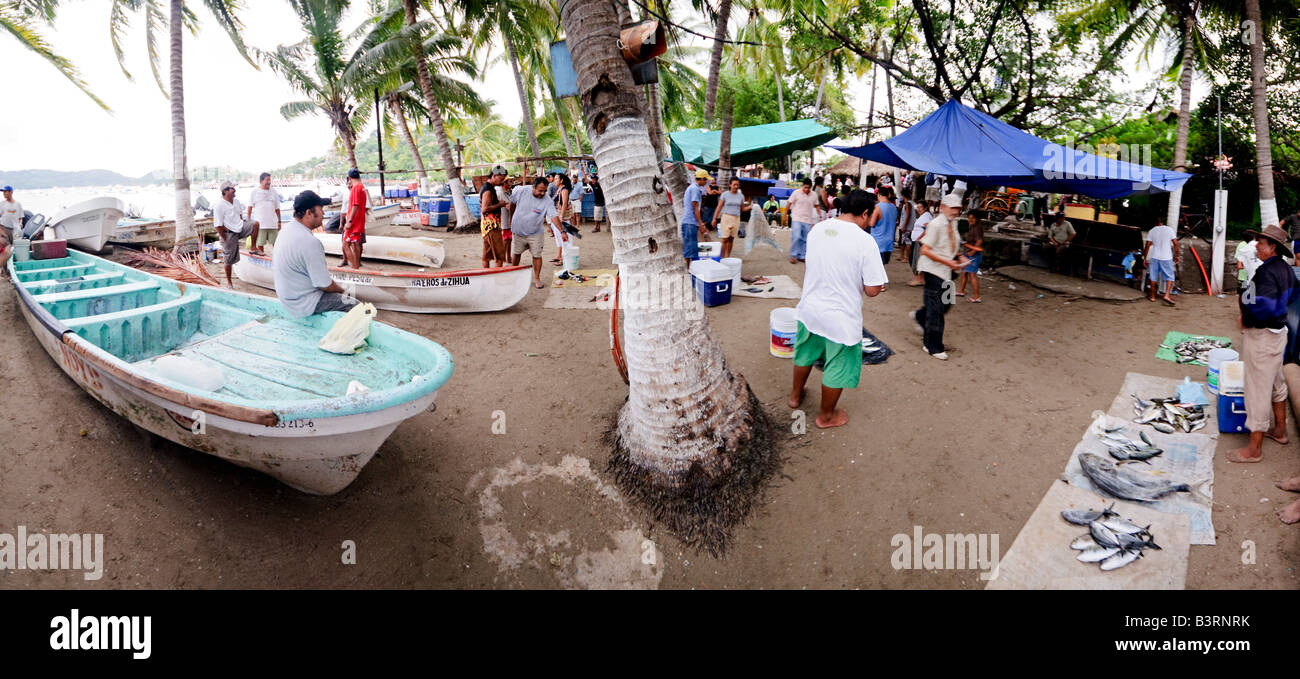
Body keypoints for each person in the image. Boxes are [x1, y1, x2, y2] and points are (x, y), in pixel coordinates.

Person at [788, 189, 887, 429]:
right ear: (865, 213)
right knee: (838, 366)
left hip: (810, 308)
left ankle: (794, 396)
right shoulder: (865, 241)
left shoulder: (818, 229)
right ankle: (826, 416)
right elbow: (873, 289)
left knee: (804, 354)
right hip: (841, 317)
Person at [1228, 224, 1299, 464]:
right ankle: (1279, 430)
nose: (1256, 245)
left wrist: (1246, 318)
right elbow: (1290, 298)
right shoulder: (1285, 269)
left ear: (1273, 248)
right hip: (1279, 334)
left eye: (1261, 242)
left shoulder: (1268, 272)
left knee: (1257, 390)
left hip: (1264, 336)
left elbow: (1265, 307)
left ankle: (1254, 449)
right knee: (1276, 381)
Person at [273, 190, 360, 318]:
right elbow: (324, 285)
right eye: (320, 209)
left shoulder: (285, 231)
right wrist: (343, 292)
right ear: (309, 213)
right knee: (356, 305)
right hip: (303, 303)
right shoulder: (310, 242)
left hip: (288, 298)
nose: (323, 213)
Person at [912, 194, 969, 360]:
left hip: (948, 270)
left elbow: (953, 244)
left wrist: (959, 256)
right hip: (933, 270)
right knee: (936, 310)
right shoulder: (936, 224)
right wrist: (948, 261)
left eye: (957, 208)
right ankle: (933, 346)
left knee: (947, 303)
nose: (955, 211)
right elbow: (925, 250)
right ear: (943, 207)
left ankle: (920, 316)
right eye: (952, 208)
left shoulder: (953, 223)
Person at [510, 177, 563, 289]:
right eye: (540, 190)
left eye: (544, 190)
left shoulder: (547, 200)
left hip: (535, 233)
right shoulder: (522, 191)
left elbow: (553, 216)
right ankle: (513, 275)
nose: (542, 193)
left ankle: (537, 278)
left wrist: (562, 231)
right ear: (533, 187)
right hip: (518, 231)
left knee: (537, 255)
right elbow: (512, 203)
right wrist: (512, 218)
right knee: (516, 253)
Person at [212, 180, 260, 289]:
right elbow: (218, 225)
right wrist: (225, 239)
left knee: (255, 224)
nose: (234, 190)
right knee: (228, 260)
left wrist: (242, 224)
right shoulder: (219, 205)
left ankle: (253, 247)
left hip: (239, 227)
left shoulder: (236, 201)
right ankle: (229, 282)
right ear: (225, 191)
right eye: (232, 188)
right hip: (228, 234)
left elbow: (239, 216)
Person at [711, 176, 750, 259]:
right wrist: (714, 218)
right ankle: (722, 258)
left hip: (736, 218)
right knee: (724, 239)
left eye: (737, 185)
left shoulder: (741, 196)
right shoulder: (725, 195)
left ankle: (727, 256)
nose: (736, 186)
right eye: (734, 184)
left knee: (731, 239)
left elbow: (743, 209)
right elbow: (719, 207)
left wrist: (750, 207)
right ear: (730, 185)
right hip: (726, 218)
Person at [479, 165, 510, 268]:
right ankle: (497, 278)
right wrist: (500, 205)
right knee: (500, 256)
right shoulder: (488, 190)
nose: (501, 182)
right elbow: (485, 209)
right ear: (494, 175)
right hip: (491, 226)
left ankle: (487, 275)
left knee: (487, 255)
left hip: (488, 226)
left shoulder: (488, 187)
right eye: (500, 179)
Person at [1143, 217, 1179, 305]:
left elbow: (1147, 246)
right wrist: (1177, 255)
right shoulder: (1169, 230)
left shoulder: (1152, 231)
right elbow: (1175, 243)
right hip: (1166, 258)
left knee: (1153, 277)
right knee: (1169, 277)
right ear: (1164, 222)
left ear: (1155, 223)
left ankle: (1152, 297)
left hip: (1155, 257)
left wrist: (1144, 258)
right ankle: (1166, 295)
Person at [247, 173, 281, 252]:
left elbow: (277, 208)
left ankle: (277, 258)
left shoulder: (274, 191)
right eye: (267, 180)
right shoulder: (254, 191)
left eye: (270, 180)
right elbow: (250, 207)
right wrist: (249, 220)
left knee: (276, 244)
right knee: (260, 244)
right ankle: (261, 256)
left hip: (272, 224)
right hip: (260, 224)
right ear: (261, 181)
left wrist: (279, 222)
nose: (269, 182)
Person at [787, 178, 817, 264]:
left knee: (805, 239)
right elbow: (789, 203)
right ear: (802, 186)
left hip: (807, 219)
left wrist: (818, 217)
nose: (806, 189)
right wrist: (785, 214)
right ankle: (793, 255)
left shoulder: (814, 195)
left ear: (811, 187)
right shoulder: (796, 193)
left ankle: (802, 255)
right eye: (805, 187)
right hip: (796, 217)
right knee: (796, 236)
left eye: (808, 188)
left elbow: (817, 205)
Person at [341, 169, 367, 269]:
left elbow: (355, 205)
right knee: (355, 244)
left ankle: (355, 268)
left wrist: (349, 221)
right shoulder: (361, 187)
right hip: (359, 220)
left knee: (345, 245)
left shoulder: (356, 188)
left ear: (349, 178)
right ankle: (356, 266)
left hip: (354, 221)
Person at [681, 169, 709, 263]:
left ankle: (689, 269)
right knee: (690, 249)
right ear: (701, 179)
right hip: (690, 222)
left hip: (689, 221)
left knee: (690, 247)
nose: (706, 182)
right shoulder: (695, 189)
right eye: (705, 180)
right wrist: (701, 224)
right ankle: (689, 270)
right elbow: (695, 208)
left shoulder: (692, 188)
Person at [957, 209, 984, 303]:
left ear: (977, 218)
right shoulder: (972, 226)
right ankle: (961, 291)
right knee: (964, 272)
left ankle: (977, 296)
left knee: (972, 275)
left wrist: (972, 252)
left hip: (973, 255)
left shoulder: (977, 228)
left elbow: (979, 241)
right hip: (968, 253)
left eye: (972, 218)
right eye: (969, 218)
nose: (970, 220)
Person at [866, 186, 898, 266]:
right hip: (889, 242)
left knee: (875, 268)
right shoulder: (893, 207)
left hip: (878, 242)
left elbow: (872, 224)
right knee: (882, 267)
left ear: (879, 195)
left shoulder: (877, 207)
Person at [907, 200, 934, 287]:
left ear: (925, 208)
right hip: (917, 241)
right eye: (917, 208)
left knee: (916, 260)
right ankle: (919, 278)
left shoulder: (926, 216)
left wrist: (920, 237)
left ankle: (919, 278)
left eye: (920, 207)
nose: (918, 209)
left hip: (920, 242)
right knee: (914, 259)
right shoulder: (923, 216)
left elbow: (929, 228)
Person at [550, 173, 574, 266]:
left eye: (556, 179)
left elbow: (564, 203)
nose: (555, 180)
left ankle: (565, 258)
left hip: (562, 218)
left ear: (561, 180)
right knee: (558, 237)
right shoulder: (559, 189)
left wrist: (561, 216)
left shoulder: (564, 189)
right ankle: (559, 256)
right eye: (555, 179)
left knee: (564, 238)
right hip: (557, 216)